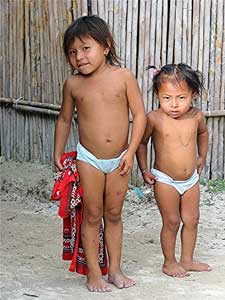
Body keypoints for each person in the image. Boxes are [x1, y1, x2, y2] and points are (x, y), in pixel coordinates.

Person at [54, 15, 146, 292]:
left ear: (106, 47)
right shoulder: (73, 85)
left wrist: (130, 151)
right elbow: (64, 119)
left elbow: (139, 115)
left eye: (85, 48)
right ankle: (94, 273)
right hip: (89, 159)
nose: (79, 57)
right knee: (92, 214)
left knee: (114, 214)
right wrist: (57, 152)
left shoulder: (123, 77)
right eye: (72, 52)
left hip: (120, 157)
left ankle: (115, 270)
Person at [136, 63, 211, 278]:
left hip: (190, 180)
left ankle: (187, 259)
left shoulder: (196, 116)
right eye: (166, 98)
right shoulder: (155, 118)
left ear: (193, 95)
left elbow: (203, 134)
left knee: (192, 220)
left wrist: (201, 157)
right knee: (171, 222)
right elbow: (142, 144)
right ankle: (169, 262)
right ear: (158, 96)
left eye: (181, 98)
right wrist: (144, 169)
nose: (174, 105)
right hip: (165, 179)